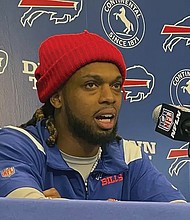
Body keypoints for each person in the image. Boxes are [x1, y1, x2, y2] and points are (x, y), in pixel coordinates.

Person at [0, 30, 186, 202]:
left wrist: (61, 212)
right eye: (91, 85)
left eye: (115, 85)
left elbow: (177, 212)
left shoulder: (128, 156)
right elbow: (26, 211)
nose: (109, 97)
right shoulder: (17, 145)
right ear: (57, 98)